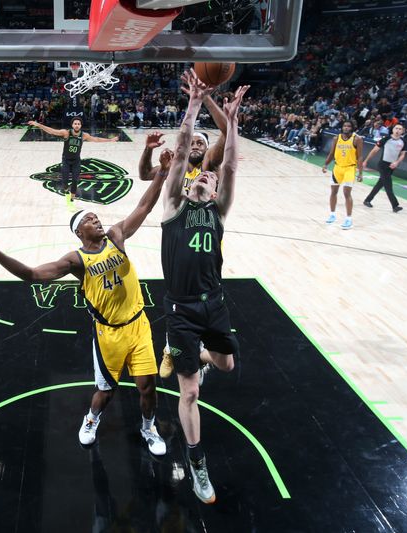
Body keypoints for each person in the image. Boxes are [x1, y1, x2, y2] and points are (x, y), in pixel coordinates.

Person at [0, 163, 171, 455]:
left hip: (138, 325)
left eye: (97, 216)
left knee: (147, 386)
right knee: (106, 391)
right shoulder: (76, 261)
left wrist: (162, 172)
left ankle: (148, 428)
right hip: (108, 335)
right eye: (89, 219)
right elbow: (33, 275)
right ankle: (91, 419)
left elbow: (145, 205)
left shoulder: (116, 236)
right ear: (79, 231)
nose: (97, 221)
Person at [159, 70, 249, 504]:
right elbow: (179, 154)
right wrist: (195, 104)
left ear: (214, 190)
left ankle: (193, 354)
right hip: (180, 310)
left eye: (212, 180)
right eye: (204, 176)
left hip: (214, 305)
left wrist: (231, 123)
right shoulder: (173, 206)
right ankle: (197, 463)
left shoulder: (219, 211)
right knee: (189, 390)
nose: (208, 178)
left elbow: (229, 163)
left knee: (229, 366)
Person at [27, 117, 118, 205]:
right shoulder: (66, 133)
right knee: (65, 180)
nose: (77, 125)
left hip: (76, 161)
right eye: (75, 124)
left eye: (78, 124)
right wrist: (38, 124)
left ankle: (72, 198)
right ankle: (66, 190)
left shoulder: (84, 135)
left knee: (75, 180)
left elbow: (96, 139)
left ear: (81, 125)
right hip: (66, 160)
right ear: (72, 125)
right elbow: (51, 131)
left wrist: (110, 140)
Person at [322, 120, 364, 229]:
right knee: (333, 192)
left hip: (350, 168)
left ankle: (348, 219)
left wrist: (360, 172)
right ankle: (332, 215)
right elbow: (332, 153)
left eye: (348, 126)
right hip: (337, 168)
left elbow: (360, 157)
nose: (346, 128)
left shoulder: (357, 139)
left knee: (346, 193)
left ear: (352, 128)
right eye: (344, 126)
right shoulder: (336, 138)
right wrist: (326, 164)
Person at [362, 124, 407, 212]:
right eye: (396, 128)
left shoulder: (403, 142)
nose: (398, 130)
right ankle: (395, 206)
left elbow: (403, 154)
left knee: (380, 184)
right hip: (383, 165)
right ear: (393, 130)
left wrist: (397, 162)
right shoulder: (386, 139)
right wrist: (366, 160)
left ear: (402, 131)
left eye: (400, 129)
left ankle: (367, 200)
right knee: (388, 186)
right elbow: (374, 150)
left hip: (392, 166)